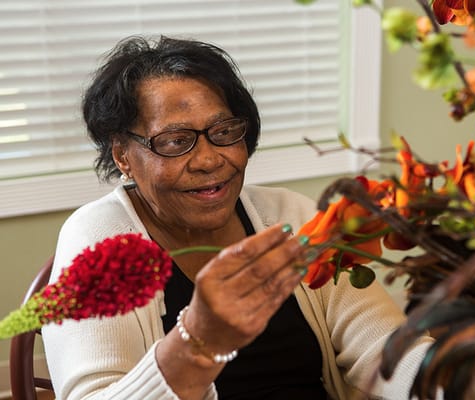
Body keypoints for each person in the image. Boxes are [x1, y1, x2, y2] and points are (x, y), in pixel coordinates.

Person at [42, 35, 432, 400]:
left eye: (224, 131)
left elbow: (388, 353)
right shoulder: (96, 244)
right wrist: (199, 341)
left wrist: (462, 378)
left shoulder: (290, 216)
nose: (211, 159)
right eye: (176, 142)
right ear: (122, 155)